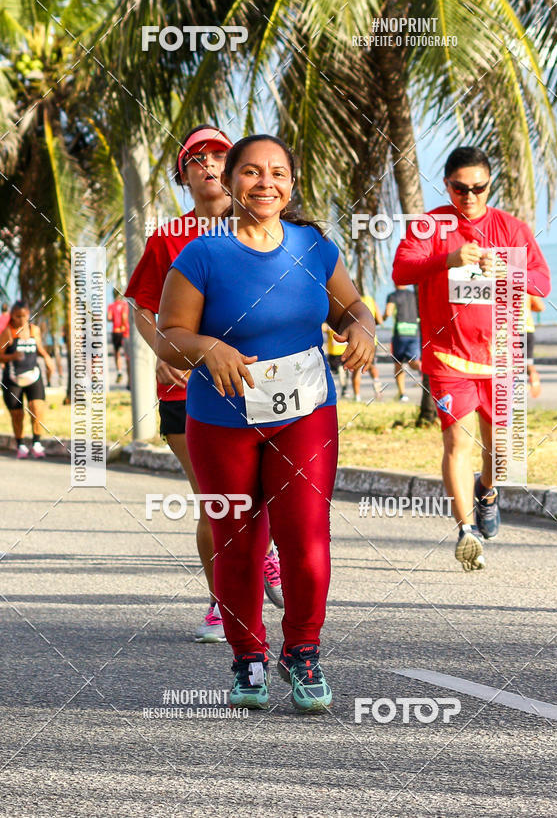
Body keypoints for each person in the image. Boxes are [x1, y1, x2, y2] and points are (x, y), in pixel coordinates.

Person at [157, 134, 375, 711]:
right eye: (251, 172)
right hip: (221, 419)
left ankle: (303, 650)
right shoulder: (202, 255)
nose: (265, 183)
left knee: (306, 540)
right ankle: (247, 657)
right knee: (238, 541)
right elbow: (168, 337)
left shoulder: (313, 247)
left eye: (277, 172)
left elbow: (352, 306)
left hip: (306, 412)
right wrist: (206, 347)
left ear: (292, 183)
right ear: (230, 182)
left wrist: (363, 329)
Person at [125, 125, 283, 645]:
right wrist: (162, 352)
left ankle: (266, 556)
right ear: (184, 175)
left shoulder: (267, 227)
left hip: (259, 384)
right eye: (197, 159)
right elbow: (142, 305)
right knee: (216, 501)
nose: (209, 166)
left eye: (219, 155)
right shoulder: (169, 236)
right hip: (185, 391)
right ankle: (223, 602)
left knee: (256, 497)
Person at [393, 146, 551, 571]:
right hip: (448, 359)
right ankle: (465, 532)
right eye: (460, 188)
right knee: (456, 443)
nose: (469, 197)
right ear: (446, 185)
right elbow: (402, 270)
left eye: (478, 188)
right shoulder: (430, 225)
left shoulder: (512, 228)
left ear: (489, 185)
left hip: (502, 359)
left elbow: (543, 284)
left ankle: (487, 491)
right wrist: (446, 259)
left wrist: (509, 272)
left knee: (502, 452)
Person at [0, 300, 54, 458]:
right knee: (17, 414)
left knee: (37, 408)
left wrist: (47, 358)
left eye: (24, 316)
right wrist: (12, 356)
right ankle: (21, 445)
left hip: (33, 376)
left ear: (29, 315)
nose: (22, 319)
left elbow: (39, 348)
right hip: (13, 378)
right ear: (12, 316)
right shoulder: (8, 332)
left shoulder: (33, 330)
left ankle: (37, 443)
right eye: (18, 316)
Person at [385, 284, 421, 401]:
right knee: (414, 362)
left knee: (398, 364)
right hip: (414, 332)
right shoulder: (413, 295)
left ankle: (402, 394)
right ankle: (426, 372)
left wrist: (379, 319)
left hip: (400, 333)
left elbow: (388, 313)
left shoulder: (393, 296)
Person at [351, 286, 383, 402]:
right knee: (372, 366)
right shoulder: (371, 300)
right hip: (371, 340)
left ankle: (357, 397)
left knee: (356, 369)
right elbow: (380, 320)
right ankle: (377, 389)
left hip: (355, 339)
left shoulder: (351, 301)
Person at [107, 291, 130, 386]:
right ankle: (129, 379)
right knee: (128, 356)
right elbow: (124, 316)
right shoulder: (125, 305)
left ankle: (119, 371)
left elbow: (109, 318)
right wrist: (124, 325)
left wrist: (114, 319)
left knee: (117, 353)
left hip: (116, 331)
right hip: (124, 331)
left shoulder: (111, 306)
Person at [526, 294, 544, 397]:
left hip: (512, 330)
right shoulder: (528, 291)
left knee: (511, 364)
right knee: (528, 362)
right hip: (528, 330)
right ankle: (533, 374)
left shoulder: (503, 288)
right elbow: (540, 307)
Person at [323, 323, 348, 396]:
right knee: (334, 372)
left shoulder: (345, 323)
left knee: (343, 372)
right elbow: (323, 328)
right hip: (333, 353)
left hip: (344, 352)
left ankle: (344, 390)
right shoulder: (330, 324)